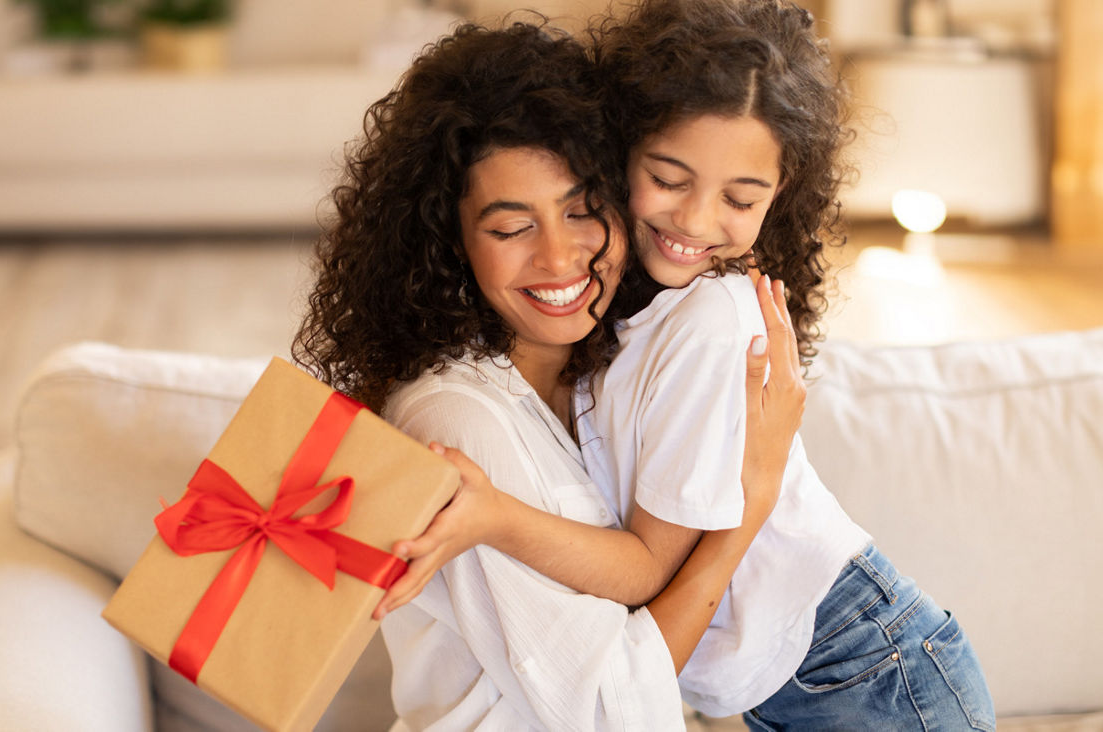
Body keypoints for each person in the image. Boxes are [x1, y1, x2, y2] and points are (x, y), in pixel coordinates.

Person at [377, 1, 996, 730]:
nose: (698, 222)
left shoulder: (710, 320)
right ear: (622, 153)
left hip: (867, 663)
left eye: (739, 198)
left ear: (781, 195)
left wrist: (498, 519)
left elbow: (644, 567)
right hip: (806, 676)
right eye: (669, 178)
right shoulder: (602, 335)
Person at [292, 19, 805, 730]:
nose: (560, 257)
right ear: (450, 239)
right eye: (511, 228)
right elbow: (606, 711)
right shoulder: (456, 422)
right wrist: (747, 508)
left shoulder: (609, 376)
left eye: (583, 210)